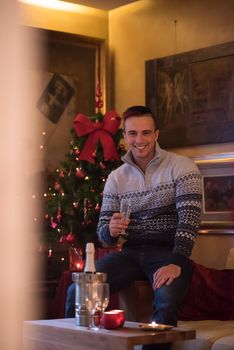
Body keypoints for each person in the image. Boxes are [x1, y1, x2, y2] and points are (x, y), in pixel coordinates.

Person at [66, 105, 202, 349]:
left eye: (146, 133)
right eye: (132, 134)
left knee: (166, 301)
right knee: (78, 290)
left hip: (167, 253)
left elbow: (189, 221)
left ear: (157, 134)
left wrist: (177, 262)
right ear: (125, 136)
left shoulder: (182, 167)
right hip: (130, 253)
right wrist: (112, 230)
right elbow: (104, 235)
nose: (139, 140)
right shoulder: (117, 177)